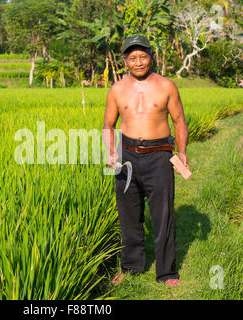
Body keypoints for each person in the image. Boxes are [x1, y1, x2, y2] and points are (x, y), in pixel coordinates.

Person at [102, 35, 190, 287]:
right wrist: (112, 151)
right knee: (128, 214)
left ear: (150, 56)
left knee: (163, 216)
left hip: (159, 154)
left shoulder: (166, 86)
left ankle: (167, 272)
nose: (138, 62)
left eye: (142, 56)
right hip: (126, 156)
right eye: (132, 58)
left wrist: (182, 151)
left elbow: (179, 121)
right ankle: (131, 267)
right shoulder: (117, 89)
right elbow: (108, 125)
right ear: (124, 60)